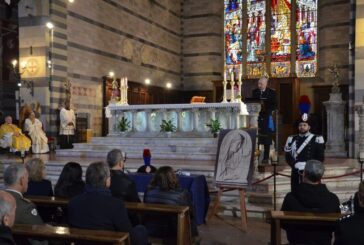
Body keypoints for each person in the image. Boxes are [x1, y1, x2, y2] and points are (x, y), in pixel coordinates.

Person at [68, 161, 147, 245]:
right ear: (106, 180)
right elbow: (127, 235)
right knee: (140, 230)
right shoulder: (116, 205)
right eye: (109, 177)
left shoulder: (73, 202)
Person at [281, 160, 340, 245]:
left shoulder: (291, 198)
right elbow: (336, 225)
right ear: (321, 176)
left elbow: (283, 224)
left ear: (304, 174)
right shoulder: (333, 199)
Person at [143, 166, 198, 242]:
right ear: (173, 177)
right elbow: (190, 213)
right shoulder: (181, 193)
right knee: (191, 218)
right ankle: (192, 240)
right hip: (173, 231)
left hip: (151, 228)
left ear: (156, 177)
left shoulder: (148, 191)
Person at [284, 113, 325, 191]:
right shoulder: (291, 139)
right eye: (300, 125)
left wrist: (310, 167)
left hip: (311, 172)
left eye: (304, 125)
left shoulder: (317, 138)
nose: (302, 127)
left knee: (312, 192)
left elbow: (320, 157)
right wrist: (295, 164)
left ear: (309, 127)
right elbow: (288, 156)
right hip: (296, 171)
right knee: (296, 192)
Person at [252, 75, 277, 164]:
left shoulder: (272, 92)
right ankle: (256, 155)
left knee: (267, 136)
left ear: (266, 84)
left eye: (261, 84)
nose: (259, 85)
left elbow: (275, 105)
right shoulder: (255, 92)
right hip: (256, 117)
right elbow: (252, 103)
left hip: (267, 116)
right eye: (258, 83)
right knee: (257, 136)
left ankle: (266, 157)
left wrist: (266, 108)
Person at [24, 158, 54, 222]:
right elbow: (51, 202)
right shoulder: (47, 184)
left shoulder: (25, 184)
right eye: (44, 168)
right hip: (44, 216)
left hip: (27, 216)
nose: (45, 170)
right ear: (40, 171)